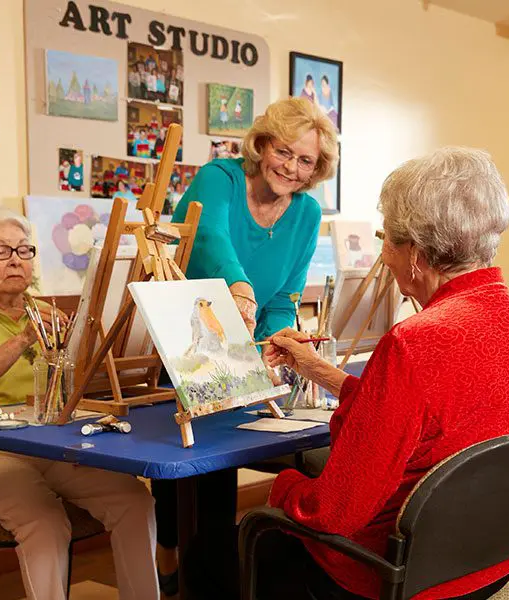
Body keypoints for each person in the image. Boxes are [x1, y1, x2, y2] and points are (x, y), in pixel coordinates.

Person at [181, 147, 509, 600]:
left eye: (387, 241)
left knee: (206, 554)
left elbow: (334, 512)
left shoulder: (415, 342)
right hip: (483, 564)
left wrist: (283, 487)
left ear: (416, 252)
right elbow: (417, 413)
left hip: (391, 576)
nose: (386, 257)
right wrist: (315, 368)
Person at [152, 97, 339, 596]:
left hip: (245, 344)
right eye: (284, 152)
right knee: (193, 463)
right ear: (261, 144)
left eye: (306, 161)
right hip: (190, 334)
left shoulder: (306, 212)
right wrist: (237, 288)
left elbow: (285, 294)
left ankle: (205, 579)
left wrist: (276, 339)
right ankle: (171, 554)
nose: (292, 169)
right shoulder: (221, 178)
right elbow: (210, 237)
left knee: (223, 467)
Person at [0, 206, 159, 600]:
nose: (16, 260)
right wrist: (22, 339)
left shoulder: (47, 314)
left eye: (24, 250)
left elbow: (81, 387)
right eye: (0, 251)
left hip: (47, 445)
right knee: (45, 520)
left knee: (134, 500)